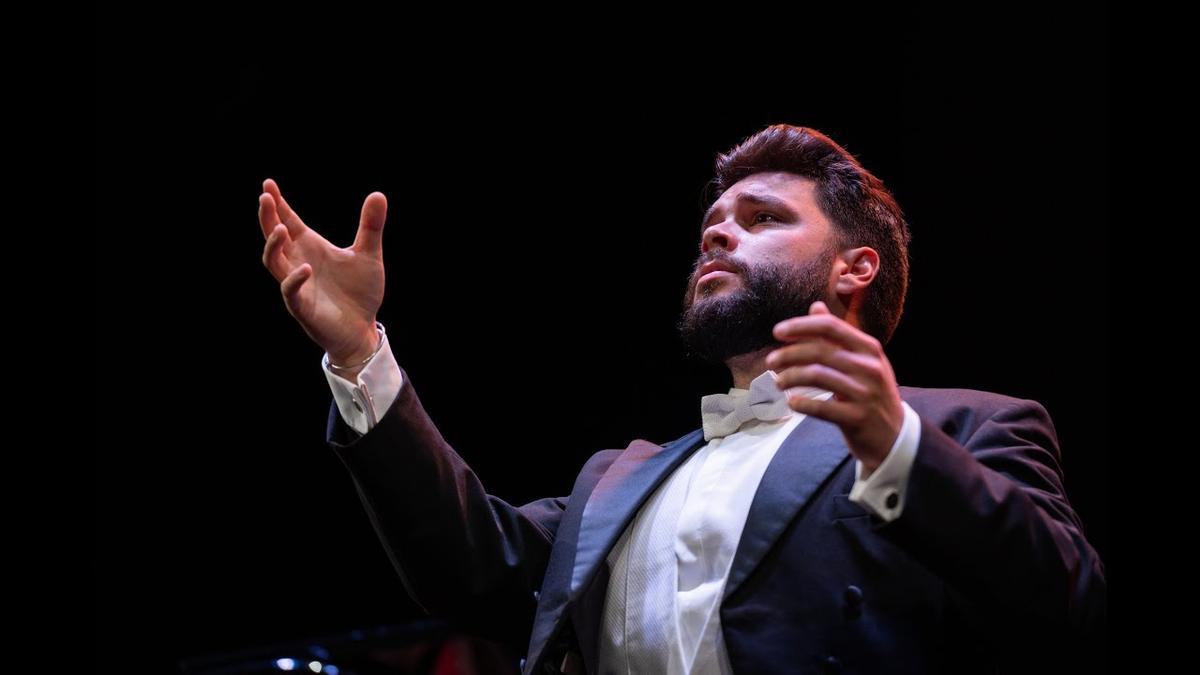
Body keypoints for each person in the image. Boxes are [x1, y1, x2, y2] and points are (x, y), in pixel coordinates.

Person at [258, 124, 1107, 674]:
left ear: (855, 268)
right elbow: (469, 565)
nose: (718, 231)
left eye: (763, 217)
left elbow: (1066, 606)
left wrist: (898, 447)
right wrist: (359, 351)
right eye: (713, 224)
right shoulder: (616, 480)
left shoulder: (969, 425)